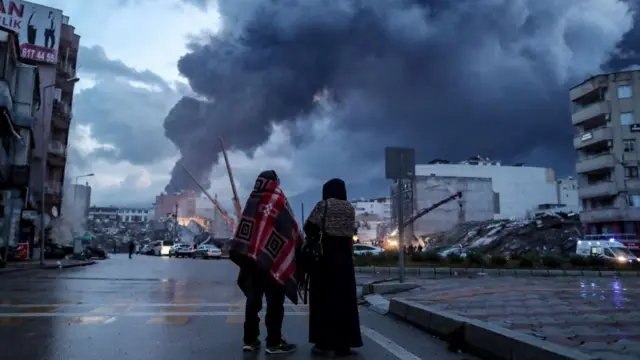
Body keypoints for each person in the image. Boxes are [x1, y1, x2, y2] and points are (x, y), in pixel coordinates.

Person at [228, 170, 302, 355]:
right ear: (275, 182)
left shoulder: (252, 199)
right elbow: (290, 228)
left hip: (251, 262)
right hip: (272, 261)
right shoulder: (278, 199)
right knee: (275, 302)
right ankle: (274, 343)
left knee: (253, 300)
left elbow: (246, 230)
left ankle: (250, 340)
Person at [303, 178, 363, 357]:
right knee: (345, 301)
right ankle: (344, 344)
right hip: (344, 260)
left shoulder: (324, 205)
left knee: (324, 300)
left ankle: (324, 343)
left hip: (324, 260)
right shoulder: (349, 208)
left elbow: (309, 227)